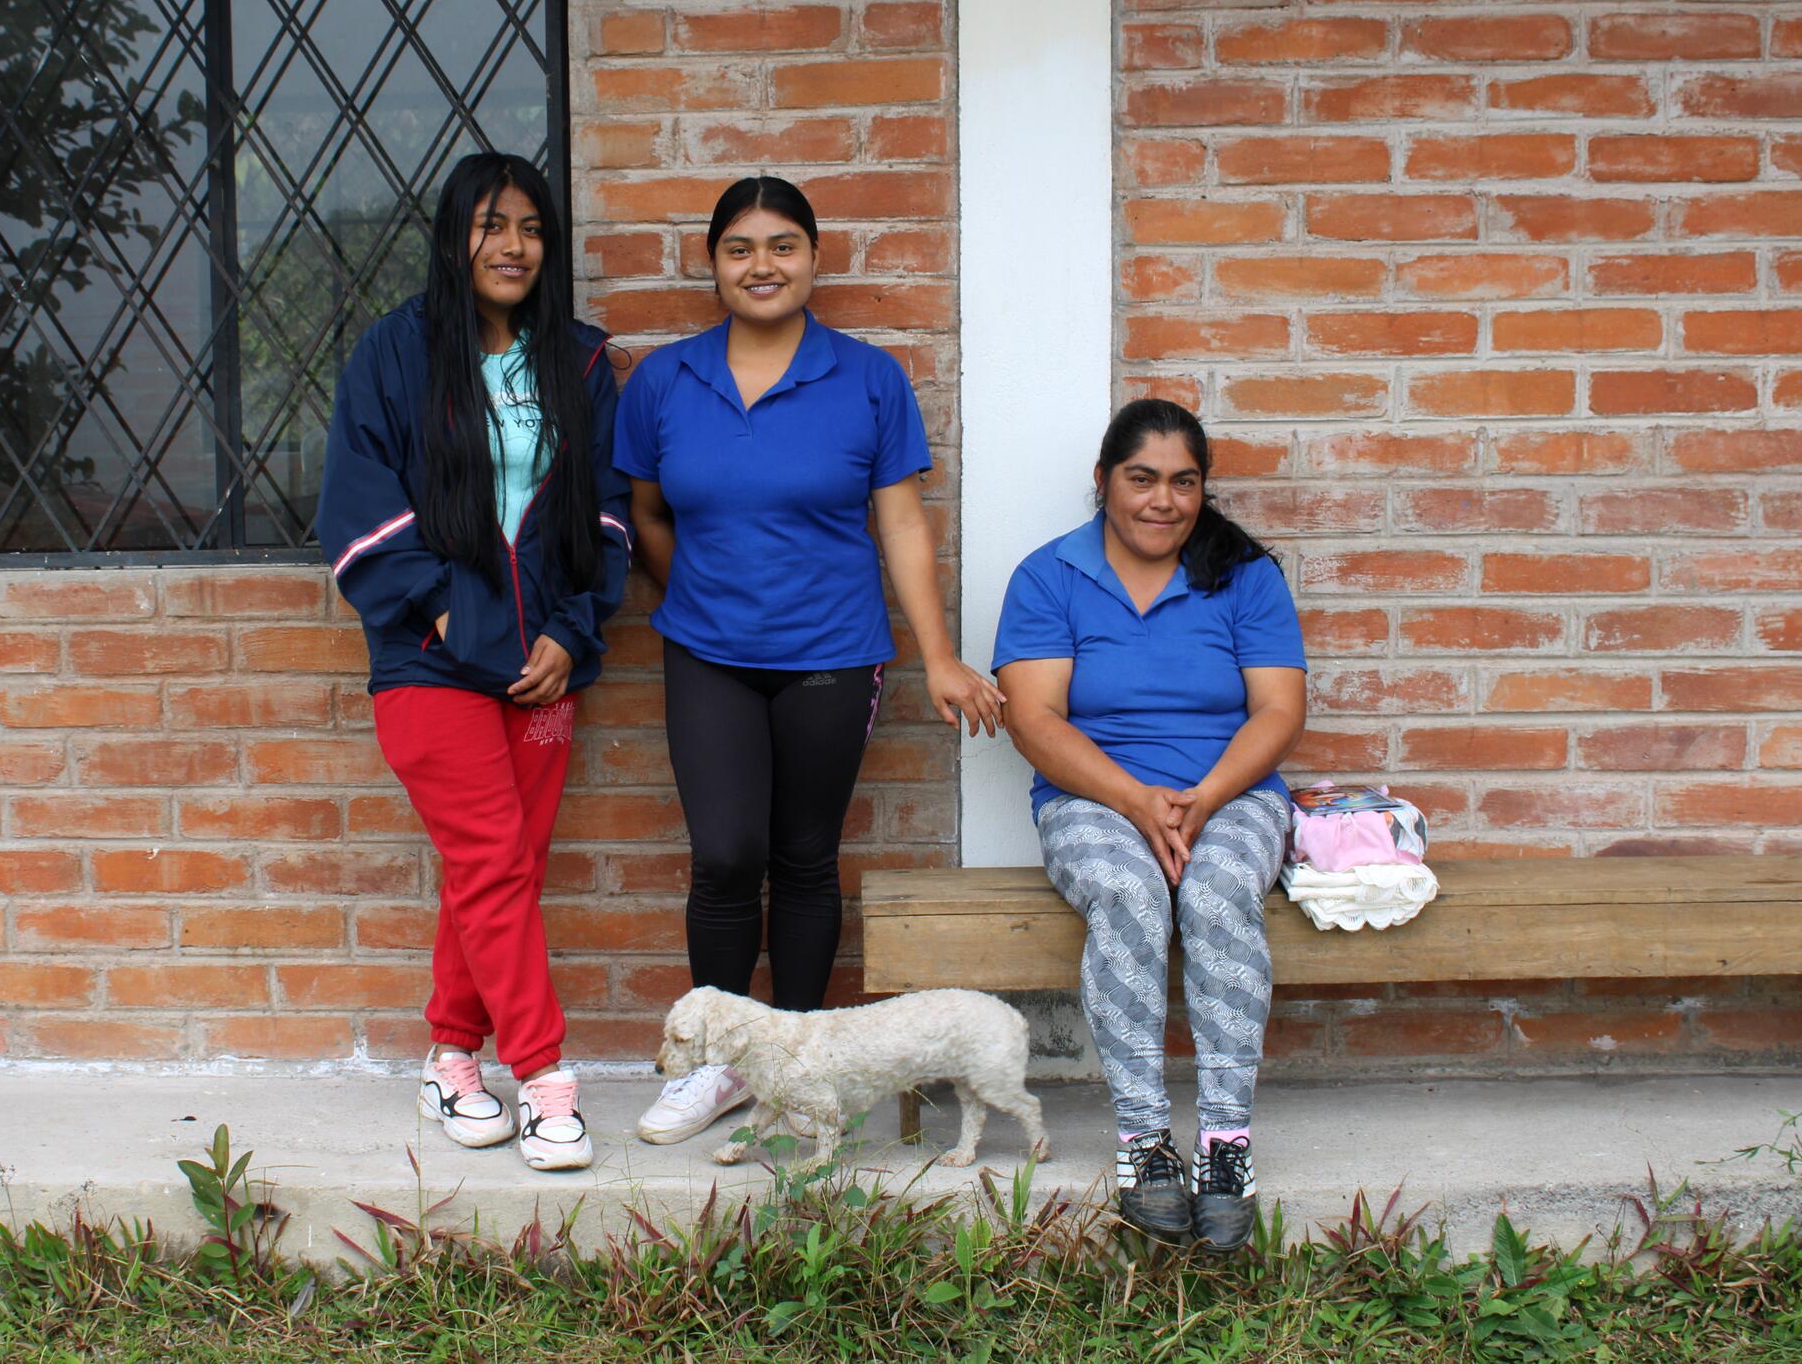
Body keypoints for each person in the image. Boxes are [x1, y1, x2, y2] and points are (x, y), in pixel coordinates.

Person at [615, 175, 1004, 1146]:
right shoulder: (664, 381)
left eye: (781, 245)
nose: (761, 265)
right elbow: (645, 513)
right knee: (724, 854)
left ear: (814, 259)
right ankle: (713, 1066)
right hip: (706, 651)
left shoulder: (866, 377)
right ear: (711, 264)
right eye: (739, 248)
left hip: (833, 653)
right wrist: (694, 592)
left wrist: (941, 658)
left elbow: (901, 522)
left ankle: (789, 1066)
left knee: (800, 859)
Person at [315, 153, 629, 1172]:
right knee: (491, 863)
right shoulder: (395, 354)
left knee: (499, 871)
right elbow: (357, 503)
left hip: (543, 663)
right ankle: (545, 1077)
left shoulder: (577, 364)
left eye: (531, 228)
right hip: (428, 659)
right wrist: (447, 613)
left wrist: (569, 635)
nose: (512, 246)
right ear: (455, 237)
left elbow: (604, 518)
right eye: (491, 225)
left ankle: (450, 1057)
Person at [992, 400, 1307, 1251]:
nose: (1162, 500)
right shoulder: (1049, 577)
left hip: (1233, 792)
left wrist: (1203, 797)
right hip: (1090, 798)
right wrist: (1138, 800)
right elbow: (1036, 720)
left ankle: (1224, 1145)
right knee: (1129, 888)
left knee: (1217, 888)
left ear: (1202, 489)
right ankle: (1143, 1145)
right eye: (1142, 478)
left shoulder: (1244, 574)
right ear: (1103, 482)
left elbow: (1279, 710)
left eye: (1183, 481)